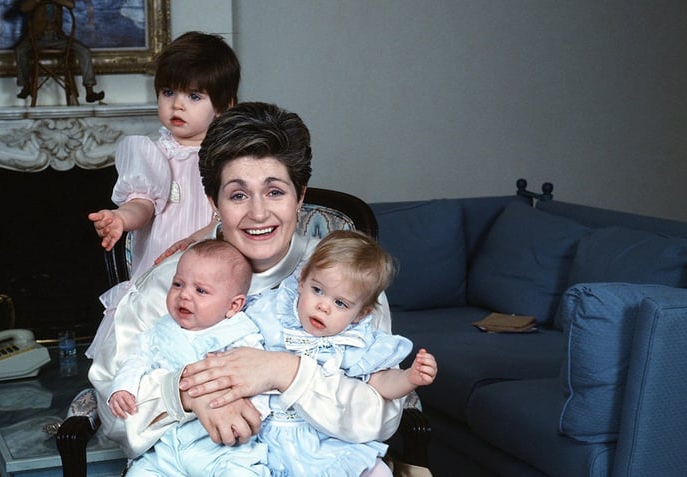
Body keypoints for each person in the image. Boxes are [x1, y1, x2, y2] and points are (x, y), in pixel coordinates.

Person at [89, 102, 433, 463]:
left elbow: (381, 417)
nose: (258, 213)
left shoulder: (346, 283)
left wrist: (284, 371)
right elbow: (112, 415)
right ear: (214, 203)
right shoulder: (167, 286)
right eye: (238, 194)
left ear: (299, 196)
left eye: (275, 192)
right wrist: (189, 395)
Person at [85, 31, 241, 358]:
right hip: (161, 271)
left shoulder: (229, 159)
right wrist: (120, 219)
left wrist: (205, 235)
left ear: (223, 107)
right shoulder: (151, 153)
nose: (177, 104)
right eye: (169, 92)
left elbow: (232, 215)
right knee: (152, 347)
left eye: (194, 96)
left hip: (212, 265)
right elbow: (142, 203)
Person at [245, 230, 438, 476]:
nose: (323, 306)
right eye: (317, 290)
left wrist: (409, 378)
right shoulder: (271, 312)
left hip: (327, 439)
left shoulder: (356, 342)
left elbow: (380, 384)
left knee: (376, 471)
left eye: (340, 303)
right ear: (302, 280)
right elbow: (238, 345)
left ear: (361, 314)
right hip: (267, 434)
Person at [110, 239, 271, 476]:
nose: (184, 295)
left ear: (233, 306)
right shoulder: (159, 330)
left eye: (201, 290)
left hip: (223, 449)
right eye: (177, 284)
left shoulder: (241, 335)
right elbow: (136, 359)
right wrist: (123, 388)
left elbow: (260, 380)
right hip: (166, 449)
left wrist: (250, 414)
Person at [14, 0, 105, 103]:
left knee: (84, 51)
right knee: (20, 50)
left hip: (58, 38)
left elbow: (71, 4)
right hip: (37, 38)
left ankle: (89, 91)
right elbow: (24, 8)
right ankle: (26, 86)